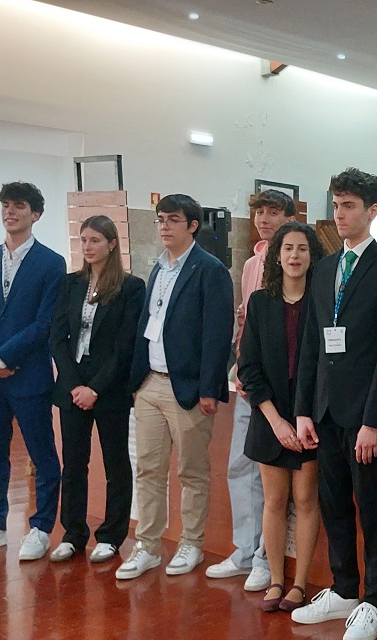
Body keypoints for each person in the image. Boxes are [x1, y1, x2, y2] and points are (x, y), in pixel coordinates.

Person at [293, 168, 377, 640]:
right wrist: (303, 409)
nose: (339, 214)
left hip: (364, 417)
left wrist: (374, 420)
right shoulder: (324, 270)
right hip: (324, 411)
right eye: (336, 205)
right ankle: (343, 588)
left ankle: (374, 601)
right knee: (333, 503)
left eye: (349, 206)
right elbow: (311, 345)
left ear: (372, 210)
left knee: (372, 508)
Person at [118, 194, 234, 580]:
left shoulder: (210, 269)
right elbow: (147, 324)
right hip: (150, 383)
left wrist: (209, 388)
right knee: (148, 469)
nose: (164, 226)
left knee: (191, 472)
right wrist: (137, 382)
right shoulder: (158, 268)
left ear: (193, 225)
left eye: (173, 220)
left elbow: (217, 334)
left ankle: (192, 543)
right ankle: (148, 545)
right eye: (160, 219)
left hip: (187, 388)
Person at [206, 189, 297, 592]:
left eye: (273, 212)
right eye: (259, 212)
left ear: (289, 218)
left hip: (283, 387)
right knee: (240, 467)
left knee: (275, 480)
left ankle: (265, 558)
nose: (264, 219)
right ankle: (244, 550)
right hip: (250, 381)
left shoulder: (297, 259)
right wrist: (241, 368)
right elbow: (245, 324)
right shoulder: (251, 263)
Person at [0, 181, 66, 561]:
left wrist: (5, 357)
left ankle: (40, 528)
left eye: (20, 206)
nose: (11, 212)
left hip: (29, 376)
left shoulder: (51, 263)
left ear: (35, 214)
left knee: (43, 456)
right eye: (6, 205)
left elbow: (44, 324)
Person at [48, 215, 146, 563]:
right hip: (73, 382)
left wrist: (96, 388)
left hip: (110, 386)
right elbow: (58, 337)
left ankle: (111, 535)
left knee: (115, 462)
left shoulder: (131, 287)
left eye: (95, 240)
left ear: (112, 244)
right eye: (84, 240)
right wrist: (74, 383)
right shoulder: (70, 283)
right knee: (74, 462)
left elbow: (125, 346)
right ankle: (73, 534)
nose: (88, 247)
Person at [237, 221, 324, 613]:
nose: (294, 255)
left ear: (312, 256)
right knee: (274, 500)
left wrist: (302, 416)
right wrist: (275, 422)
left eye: (302, 248)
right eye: (288, 248)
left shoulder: (321, 302)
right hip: (269, 413)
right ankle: (275, 579)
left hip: (310, 414)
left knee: (305, 499)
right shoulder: (260, 302)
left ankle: (300, 584)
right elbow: (249, 368)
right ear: (276, 255)